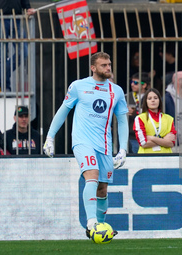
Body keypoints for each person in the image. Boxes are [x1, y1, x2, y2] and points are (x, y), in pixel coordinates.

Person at [43, 52, 128, 239]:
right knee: (92, 175)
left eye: (109, 64)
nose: (108, 68)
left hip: (104, 144)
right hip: (82, 141)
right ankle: (92, 224)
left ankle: (99, 226)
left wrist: (122, 149)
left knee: (102, 188)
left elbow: (122, 120)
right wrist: (50, 137)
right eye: (104, 65)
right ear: (93, 68)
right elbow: (62, 111)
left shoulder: (117, 91)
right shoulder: (78, 86)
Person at [0, 0, 35, 92]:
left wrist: (27, 7)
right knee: (1, 56)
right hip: (0, 17)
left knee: (23, 52)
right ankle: (4, 86)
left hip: (16, 18)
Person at [134, 88, 176, 153]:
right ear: (146, 101)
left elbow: (171, 143)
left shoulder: (169, 119)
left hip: (166, 158)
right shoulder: (140, 118)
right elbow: (143, 143)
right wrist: (164, 140)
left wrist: (151, 138)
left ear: (159, 100)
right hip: (146, 158)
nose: (153, 100)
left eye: (155, 98)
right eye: (149, 98)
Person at [126, 72, 150, 153]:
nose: (132, 84)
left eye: (136, 83)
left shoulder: (151, 97)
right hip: (131, 136)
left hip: (148, 136)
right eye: (131, 82)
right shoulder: (126, 97)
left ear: (144, 85)